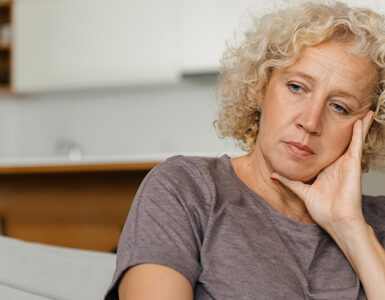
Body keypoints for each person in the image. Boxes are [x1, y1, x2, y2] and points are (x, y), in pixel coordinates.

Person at [105, 1, 385, 299]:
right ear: (262, 87)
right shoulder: (185, 189)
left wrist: (351, 229)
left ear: (370, 127)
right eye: (296, 87)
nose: (310, 121)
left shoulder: (376, 223)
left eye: (339, 107)